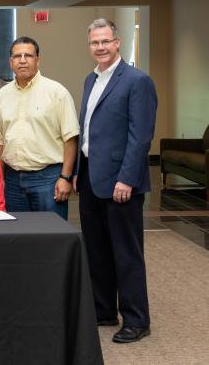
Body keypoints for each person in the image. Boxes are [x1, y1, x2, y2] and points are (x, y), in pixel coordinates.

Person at [74, 18, 157, 343]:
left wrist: (127, 179)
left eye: (106, 41)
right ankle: (104, 309)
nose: (100, 47)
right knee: (97, 251)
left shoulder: (137, 81)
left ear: (118, 42)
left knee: (126, 253)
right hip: (92, 179)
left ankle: (137, 319)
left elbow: (140, 138)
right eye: (95, 42)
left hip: (121, 183)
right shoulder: (90, 79)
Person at [0, 36, 79, 220]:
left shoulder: (57, 92)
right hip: (12, 180)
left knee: (52, 236)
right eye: (17, 56)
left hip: (48, 178)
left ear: (38, 60)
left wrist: (65, 177)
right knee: (19, 238)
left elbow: (71, 139)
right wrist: (1, 179)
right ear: (10, 62)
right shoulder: (2, 95)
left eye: (28, 55)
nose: (22, 60)